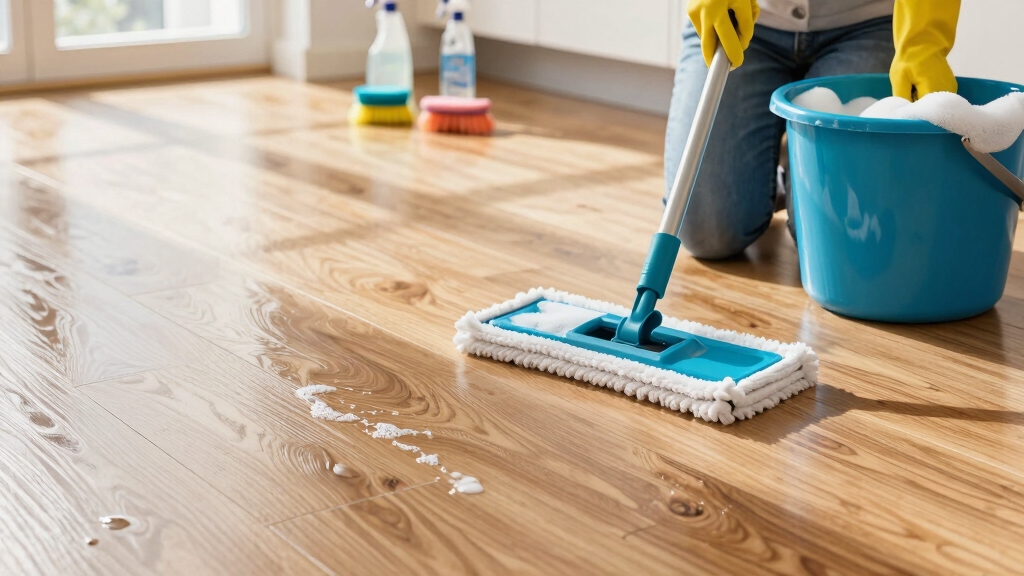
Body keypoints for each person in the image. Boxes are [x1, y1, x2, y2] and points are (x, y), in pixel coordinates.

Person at [667, 0, 961, 259]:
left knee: (838, 241)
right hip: (744, 18)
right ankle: (777, 168)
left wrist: (923, 41)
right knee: (708, 233)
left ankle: (795, 155)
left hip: (867, 22)